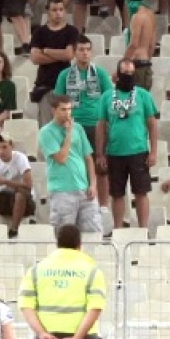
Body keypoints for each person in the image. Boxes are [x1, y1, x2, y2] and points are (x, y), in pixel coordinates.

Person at [18, 224, 106, 339]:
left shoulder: (35, 270)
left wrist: (41, 333)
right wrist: (77, 338)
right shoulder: (93, 272)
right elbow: (95, 308)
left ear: (57, 244)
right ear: (80, 245)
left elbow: (26, 306)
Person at [96, 59, 157, 231]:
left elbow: (152, 124)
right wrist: (100, 153)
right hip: (115, 152)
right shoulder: (107, 97)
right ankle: (118, 230)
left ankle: (143, 230)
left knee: (141, 192)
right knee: (117, 193)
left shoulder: (143, 95)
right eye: (125, 73)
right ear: (118, 74)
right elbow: (101, 126)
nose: (128, 76)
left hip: (139, 151)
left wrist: (153, 151)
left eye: (131, 73)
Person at [54, 36, 113, 212]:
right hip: (73, 125)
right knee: (77, 166)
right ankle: (81, 203)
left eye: (88, 49)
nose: (85, 53)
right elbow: (58, 100)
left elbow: (110, 98)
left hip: (96, 125)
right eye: (81, 49)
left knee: (101, 165)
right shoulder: (64, 75)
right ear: (74, 52)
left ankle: (103, 205)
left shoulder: (100, 73)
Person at [38, 93, 101, 234]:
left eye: (69, 109)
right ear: (54, 110)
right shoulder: (46, 132)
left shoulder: (78, 128)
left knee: (93, 232)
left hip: (84, 189)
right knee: (64, 234)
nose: (67, 113)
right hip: (62, 191)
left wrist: (93, 184)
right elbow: (61, 158)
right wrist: (68, 133)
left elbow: (88, 158)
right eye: (63, 109)